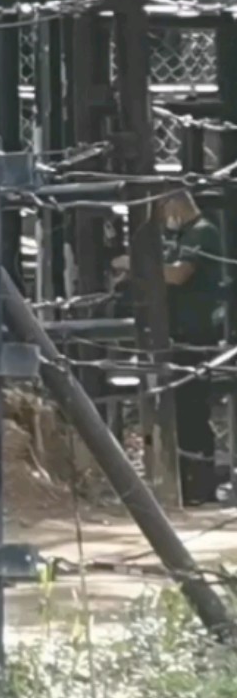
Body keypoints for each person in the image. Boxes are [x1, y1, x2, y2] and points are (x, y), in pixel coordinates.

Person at [117, 188, 229, 507]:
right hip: (179, 333)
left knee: (192, 408)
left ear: (175, 203)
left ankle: (200, 484)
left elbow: (179, 275)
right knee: (180, 408)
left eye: (164, 211)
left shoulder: (202, 232)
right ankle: (187, 481)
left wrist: (138, 265)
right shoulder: (183, 236)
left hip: (196, 334)